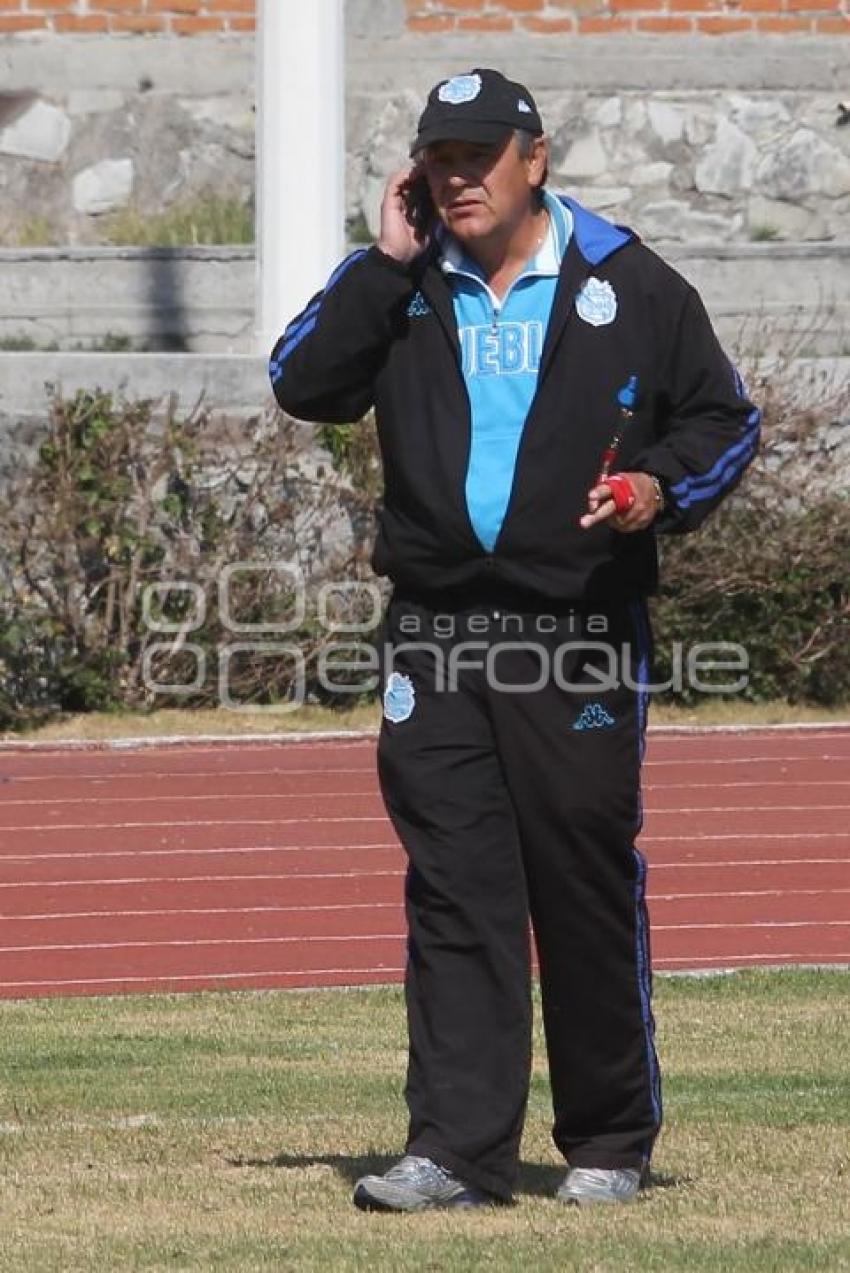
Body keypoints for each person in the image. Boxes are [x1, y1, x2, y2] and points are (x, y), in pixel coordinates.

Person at [270, 68, 759, 1211]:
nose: (457, 176)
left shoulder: (627, 283)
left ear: (534, 159)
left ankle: (607, 1140)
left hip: (577, 629)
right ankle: (453, 1147)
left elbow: (723, 420)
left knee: (578, 879)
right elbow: (302, 381)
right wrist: (381, 263)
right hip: (436, 634)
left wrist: (655, 489)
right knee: (454, 885)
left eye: (479, 156)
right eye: (439, 157)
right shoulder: (401, 284)